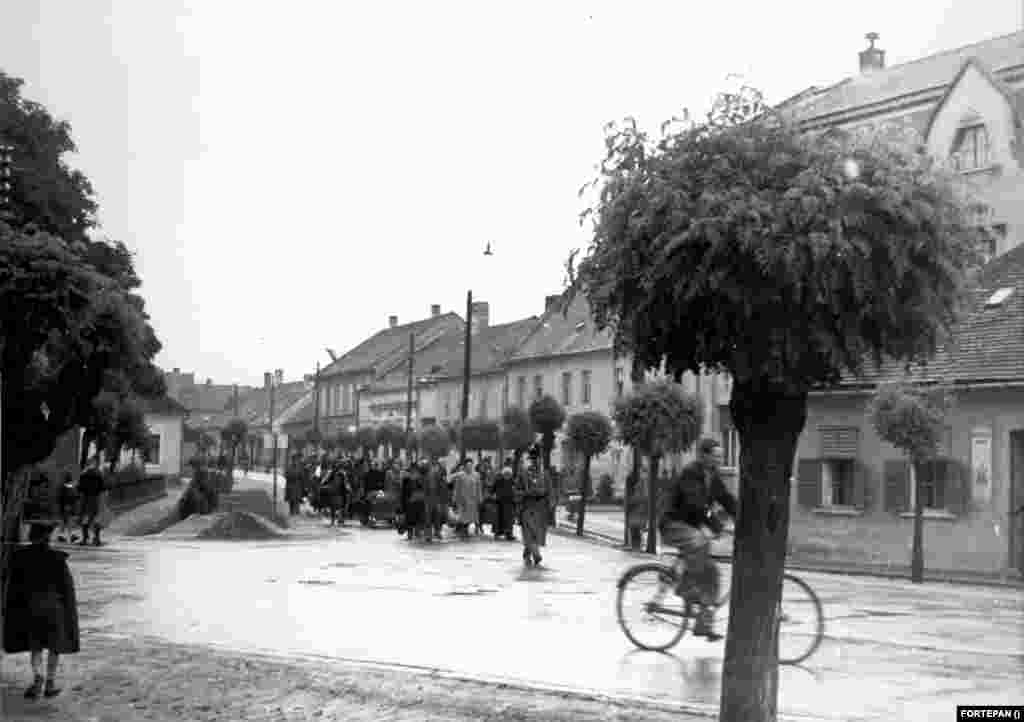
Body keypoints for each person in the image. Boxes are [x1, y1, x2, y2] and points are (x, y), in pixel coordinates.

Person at [659, 437, 737, 641]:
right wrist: (716, 525)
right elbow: (698, 505)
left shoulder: (712, 476)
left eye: (722, 456)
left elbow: (727, 500)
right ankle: (685, 587)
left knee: (712, 573)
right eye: (716, 456)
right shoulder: (691, 473)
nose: (720, 460)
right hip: (673, 525)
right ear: (703, 456)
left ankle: (703, 625)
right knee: (701, 541)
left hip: (690, 528)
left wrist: (744, 520)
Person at [2, 520, 80, 700]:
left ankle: (38, 676)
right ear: (48, 537)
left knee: (35, 646)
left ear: (32, 537)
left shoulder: (20, 557)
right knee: (55, 647)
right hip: (54, 608)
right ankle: (50, 683)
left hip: (31, 607)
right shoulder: (58, 559)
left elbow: (14, 587)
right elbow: (66, 589)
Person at [518, 452, 550, 566]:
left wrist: (549, 503)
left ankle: (527, 553)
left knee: (537, 533)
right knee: (528, 533)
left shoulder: (545, 474)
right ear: (530, 461)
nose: (535, 462)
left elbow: (549, 490)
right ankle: (536, 554)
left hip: (540, 508)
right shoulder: (524, 474)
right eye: (533, 459)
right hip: (527, 507)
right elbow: (517, 490)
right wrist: (526, 493)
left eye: (537, 459)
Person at [76, 458, 106, 547]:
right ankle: (96, 539)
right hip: (95, 498)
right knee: (95, 518)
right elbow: (102, 487)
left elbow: (79, 488)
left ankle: (85, 538)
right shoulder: (98, 474)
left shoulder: (83, 474)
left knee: (85, 518)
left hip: (85, 499)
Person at [451, 460, 482, 540]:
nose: (469, 467)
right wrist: (454, 499)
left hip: (473, 499)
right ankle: (463, 531)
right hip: (463, 499)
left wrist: (480, 498)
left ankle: (465, 530)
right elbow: (457, 488)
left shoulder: (476, 475)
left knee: (471, 516)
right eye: (468, 466)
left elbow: (479, 488)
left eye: (471, 465)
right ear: (465, 466)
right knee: (463, 516)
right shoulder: (461, 475)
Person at [493, 466, 517, 541]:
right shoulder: (499, 480)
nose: (507, 475)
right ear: (503, 474)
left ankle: (509, 534)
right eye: (506, 474)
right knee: (499, 519)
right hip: (500, 502)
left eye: (509, 474)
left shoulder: (512, 481)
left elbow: (515, 489)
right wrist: (493, 495)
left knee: (509, 520)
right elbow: (493, 489)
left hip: (510, 502)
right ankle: (498, 533)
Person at [57, 472, 79, 543]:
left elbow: (60, 498)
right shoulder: (70, 487)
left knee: (64, 521)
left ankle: (62, 535)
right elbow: (73, 497)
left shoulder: (63, 487)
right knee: (69, 521)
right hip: (69, 506)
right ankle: (69, 535)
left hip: (64, 506)